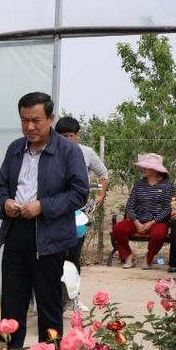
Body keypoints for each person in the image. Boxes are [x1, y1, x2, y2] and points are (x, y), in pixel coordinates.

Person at [0, 92, 88, 350]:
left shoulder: (68, 151)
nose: (29, 127)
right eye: (24, 120)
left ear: (50, 118)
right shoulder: (15, 149)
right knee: (12, 304)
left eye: (36, 120)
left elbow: (79, 193)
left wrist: (43, 206)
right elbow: (1, 185)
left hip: (50, 238)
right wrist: (6, 202)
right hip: (15, 232)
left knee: (49, 305)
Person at [55, 116, 109, 272]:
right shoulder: (51, 152)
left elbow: (103, 174)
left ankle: (72, 285)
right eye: (63, 136)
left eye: (70, 136)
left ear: (77, 135)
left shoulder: (86, 153)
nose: (67, 139)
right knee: (55, 255)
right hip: (56, 208)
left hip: (78, 210)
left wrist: (100, 196)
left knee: (74, 252)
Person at [111, 153, 176, 269]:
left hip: (157, 222)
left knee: (158, 234)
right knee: (118, 228)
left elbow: (167, 209)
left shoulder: (168, 185)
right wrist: (136, 222)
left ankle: (149, 258)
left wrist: (151, 223)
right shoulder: (139, 184)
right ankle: (128, 256)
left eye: (146, 167)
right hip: (138, 220)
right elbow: (130, 206)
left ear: (155, 170)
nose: (143, 169)